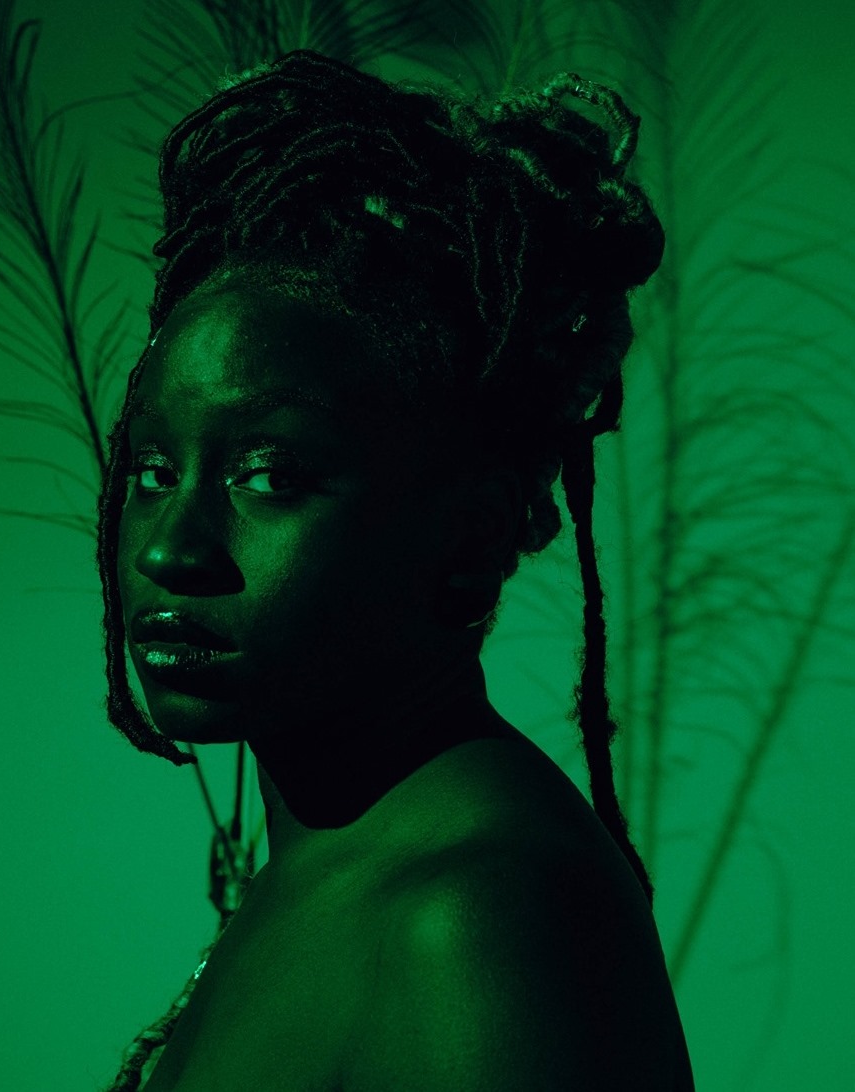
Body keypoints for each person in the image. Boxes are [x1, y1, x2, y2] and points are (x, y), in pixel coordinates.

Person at [96, 48, 694, 1091]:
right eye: (152, 470)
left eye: (269, 476)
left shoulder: (481, 914)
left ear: (470, 539)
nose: (167, 548)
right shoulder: (333, 861)